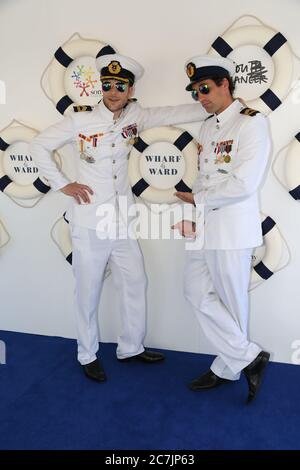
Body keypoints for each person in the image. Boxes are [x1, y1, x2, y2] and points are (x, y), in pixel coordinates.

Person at [30, 45, 209, 383]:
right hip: (89, 219)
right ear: (101, 87)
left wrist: (215, 108)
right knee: (88, 289)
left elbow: (172, 113)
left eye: (120, 86)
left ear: (131, 89)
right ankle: (86, 353)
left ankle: (130, 347)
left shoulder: (135, 116)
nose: (113, 93)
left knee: (135, 280)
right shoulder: (80, 118)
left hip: (122, 219)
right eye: (107, 86)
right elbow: (38, 146)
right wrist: (63, 184)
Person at [174, 55, 271, 403]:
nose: (200, 97)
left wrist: (199, 202)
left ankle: (228, 368)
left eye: (205, 89)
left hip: (231, 229)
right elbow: (204, 177)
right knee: (194, 291)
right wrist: (193, 209)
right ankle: (247, 357)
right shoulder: (207, 126)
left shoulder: (251, 124)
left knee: (232, 304)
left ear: (224, 84)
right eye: (196, 92)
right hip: (204, 227)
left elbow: (245, 184)